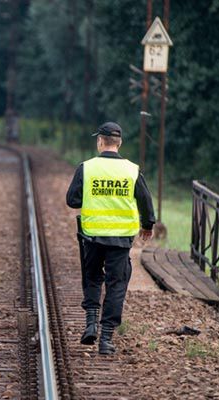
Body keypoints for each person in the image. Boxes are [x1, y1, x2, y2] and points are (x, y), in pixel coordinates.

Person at [66, 121, 155, 355]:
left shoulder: (86, 168)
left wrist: (93, 197)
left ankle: (91, 323)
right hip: (121, 238)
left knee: (93, 277)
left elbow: (72, 200)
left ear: (100, 142)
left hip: (93, 235)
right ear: (120, 143)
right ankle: (106, 339)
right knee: (117, 285)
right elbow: (145, 201)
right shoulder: (132, 170)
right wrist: (148, 225)